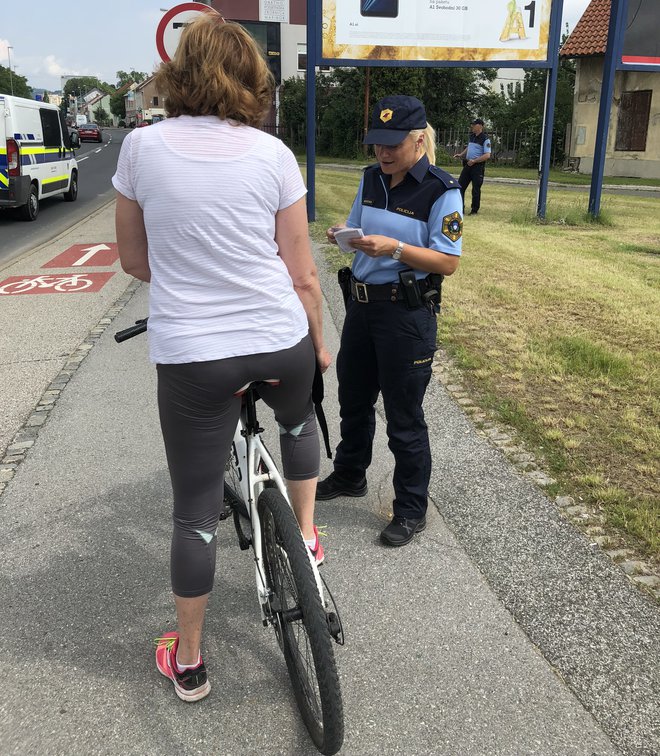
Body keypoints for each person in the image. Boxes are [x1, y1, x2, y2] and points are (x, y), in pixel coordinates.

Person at [111, 15, 331, 704]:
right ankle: (309, 536)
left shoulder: (142, 150)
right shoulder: (272, 156)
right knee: (298, 424)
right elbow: (303, 276)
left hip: (195, 357)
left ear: (179, 75)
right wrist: (317, 345)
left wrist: (191, 277)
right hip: (279, 339)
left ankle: (192, 663)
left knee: (195, 514)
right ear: (253, 80)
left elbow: (135, 260)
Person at [317, 95, 463, 548]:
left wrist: (394, 249)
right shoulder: (370, 179)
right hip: (362, 306)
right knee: (354, 400)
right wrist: (344, 234)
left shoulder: (441, 189)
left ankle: (410, 509)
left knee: (403, 416)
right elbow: (358, 225)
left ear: (419, 140)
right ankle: (349, 474)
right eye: (376, 144)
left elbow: (448, 261)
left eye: (392, 146)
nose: (382, 154)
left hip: (405, 314)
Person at [453, 118, 491, 215]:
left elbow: (487, 155)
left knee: (476, 189)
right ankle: (460, 207)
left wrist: (474, 161)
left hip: (477, 167)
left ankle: (474, 210)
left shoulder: (485, 139)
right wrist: (461, 154)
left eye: (474, 125)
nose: (472, 126)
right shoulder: (472, 136)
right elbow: (469, 147)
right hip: (468, 165)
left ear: (480, 126)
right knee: (460, 186)